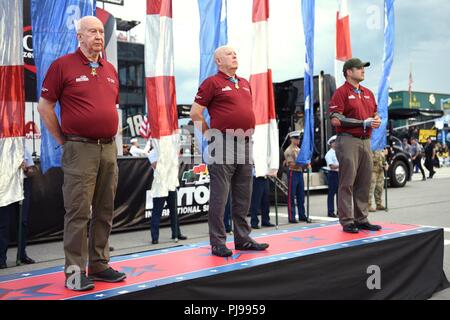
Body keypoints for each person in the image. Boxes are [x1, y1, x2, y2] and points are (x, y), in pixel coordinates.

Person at [37, 16, 126, 291]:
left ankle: (99, 265)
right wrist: (65, 141)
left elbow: (111, 107)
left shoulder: (109, 68)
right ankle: (75, 273)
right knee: (78, 212)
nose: (99, 36)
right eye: (92, 32)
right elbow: (44, 107)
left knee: (105, 209)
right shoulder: (62, 66)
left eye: (101, 31)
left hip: (108, 148)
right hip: (79, 148)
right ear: (79, 36)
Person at [190, 45, 269, 257]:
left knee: (244, 194)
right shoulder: (211, 83)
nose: (234, 56)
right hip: (222, 141)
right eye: (229, 54)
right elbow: (195, 113)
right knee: (220, 196)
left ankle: (243, 239)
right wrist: (209, 135)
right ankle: (217, 242)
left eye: (235, 53)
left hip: (245, 142)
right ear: (218, 61)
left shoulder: (244, 83)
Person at [329, 57, 382, 234]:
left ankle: (361, 218)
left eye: (363, 67)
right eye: (359, 68)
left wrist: (376, 120)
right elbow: (336, 118)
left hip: (366, 141)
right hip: (348, 140)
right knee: (347, 181)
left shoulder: (368, 92)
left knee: (364, 181)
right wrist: (362, 123)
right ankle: (347, 221)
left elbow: (375, 114)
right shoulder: (341, 92)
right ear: (349, 72)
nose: (363, 70)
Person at [0, 146, 36, 269]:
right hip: (5, 184)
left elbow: (31, 171)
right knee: (4, 222)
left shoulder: (23, 145)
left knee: (23, 221)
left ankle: (22, 254)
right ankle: (1, 258)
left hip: (22, 184)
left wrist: (26, 168)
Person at [147, 147, 187, 244]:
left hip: (171, 183)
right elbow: (156, 166)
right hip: (160, 185)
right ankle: (155, 237)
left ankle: (176, 233)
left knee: (174, 210)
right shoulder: (152, 153)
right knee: (157, 211)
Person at [284, 131, 310, 223]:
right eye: (296, 138)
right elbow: (292, 165)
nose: (298, 140)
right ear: (291, 139)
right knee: (291, 195)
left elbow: (303, 162)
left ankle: (302, 215)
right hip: (293, 173)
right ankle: (292, 217)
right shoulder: (289, 151)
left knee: (301, 196)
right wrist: (303, 164)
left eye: (298, 138)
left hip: (299, 173)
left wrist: (307, 164)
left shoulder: (299, 150)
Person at [324, 135, 339, 218]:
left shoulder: (339, 152)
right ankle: (330, 211)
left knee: (339, 194)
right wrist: (341, 165)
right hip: (332, 174)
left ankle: (339, 211)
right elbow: (331, 166)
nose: (336, 143)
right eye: (334, 142)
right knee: (331, 193)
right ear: (331, 144)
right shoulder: (329, 154)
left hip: (339, 174)